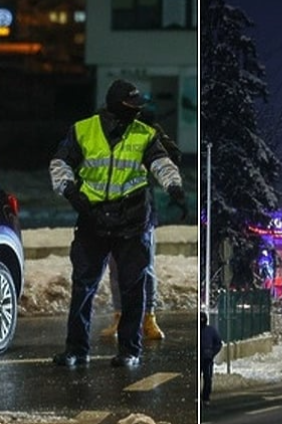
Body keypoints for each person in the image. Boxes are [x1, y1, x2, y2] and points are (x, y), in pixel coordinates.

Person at [49, 79, 186, 368]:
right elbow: (60, 163)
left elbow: (161, 163)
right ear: (114, 106)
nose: (136, 113)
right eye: (131, 107)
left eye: (138, 108)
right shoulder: (83, 130)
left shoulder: (145, 134)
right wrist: (70, 192)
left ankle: (129, 351)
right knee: (83, 287)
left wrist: (173, 187)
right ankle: (76, 349)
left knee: (132, 289)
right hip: (92, 218)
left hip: (132, 221)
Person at [99, 117, 182, 341]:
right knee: (116, 267)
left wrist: (158, 138)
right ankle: (120, 315)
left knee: (145, 266)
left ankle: (148, 317)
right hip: (111, 212)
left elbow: (173, 156)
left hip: (142, 211)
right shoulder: (104, 133)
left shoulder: (146, 133)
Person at [200, 311, 223, 406]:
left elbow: (218, 343)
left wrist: (212, 353)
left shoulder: (211, 330)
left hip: (207, 359)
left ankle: (206, 397)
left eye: (203, 319)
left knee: (208, 378)